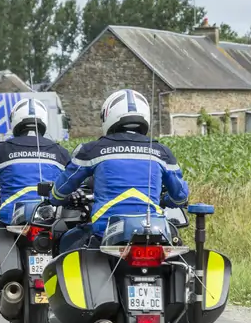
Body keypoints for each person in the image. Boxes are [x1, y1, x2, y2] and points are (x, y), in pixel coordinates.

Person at [48, 89, 189, 253]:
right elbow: (181, 196)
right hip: (154, 230)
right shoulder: (162, 152)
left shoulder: (92, 150)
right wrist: (165, 199)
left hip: (105, 231)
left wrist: (55, 198)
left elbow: (61, 188)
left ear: (107, 117)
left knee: (68, 243)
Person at [0, 98, 71, 311]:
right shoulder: (60, 152)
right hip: (50, 218)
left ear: (14, 122)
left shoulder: (1, 150)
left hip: (11, 216)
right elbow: (71, 184)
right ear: (44, 121)